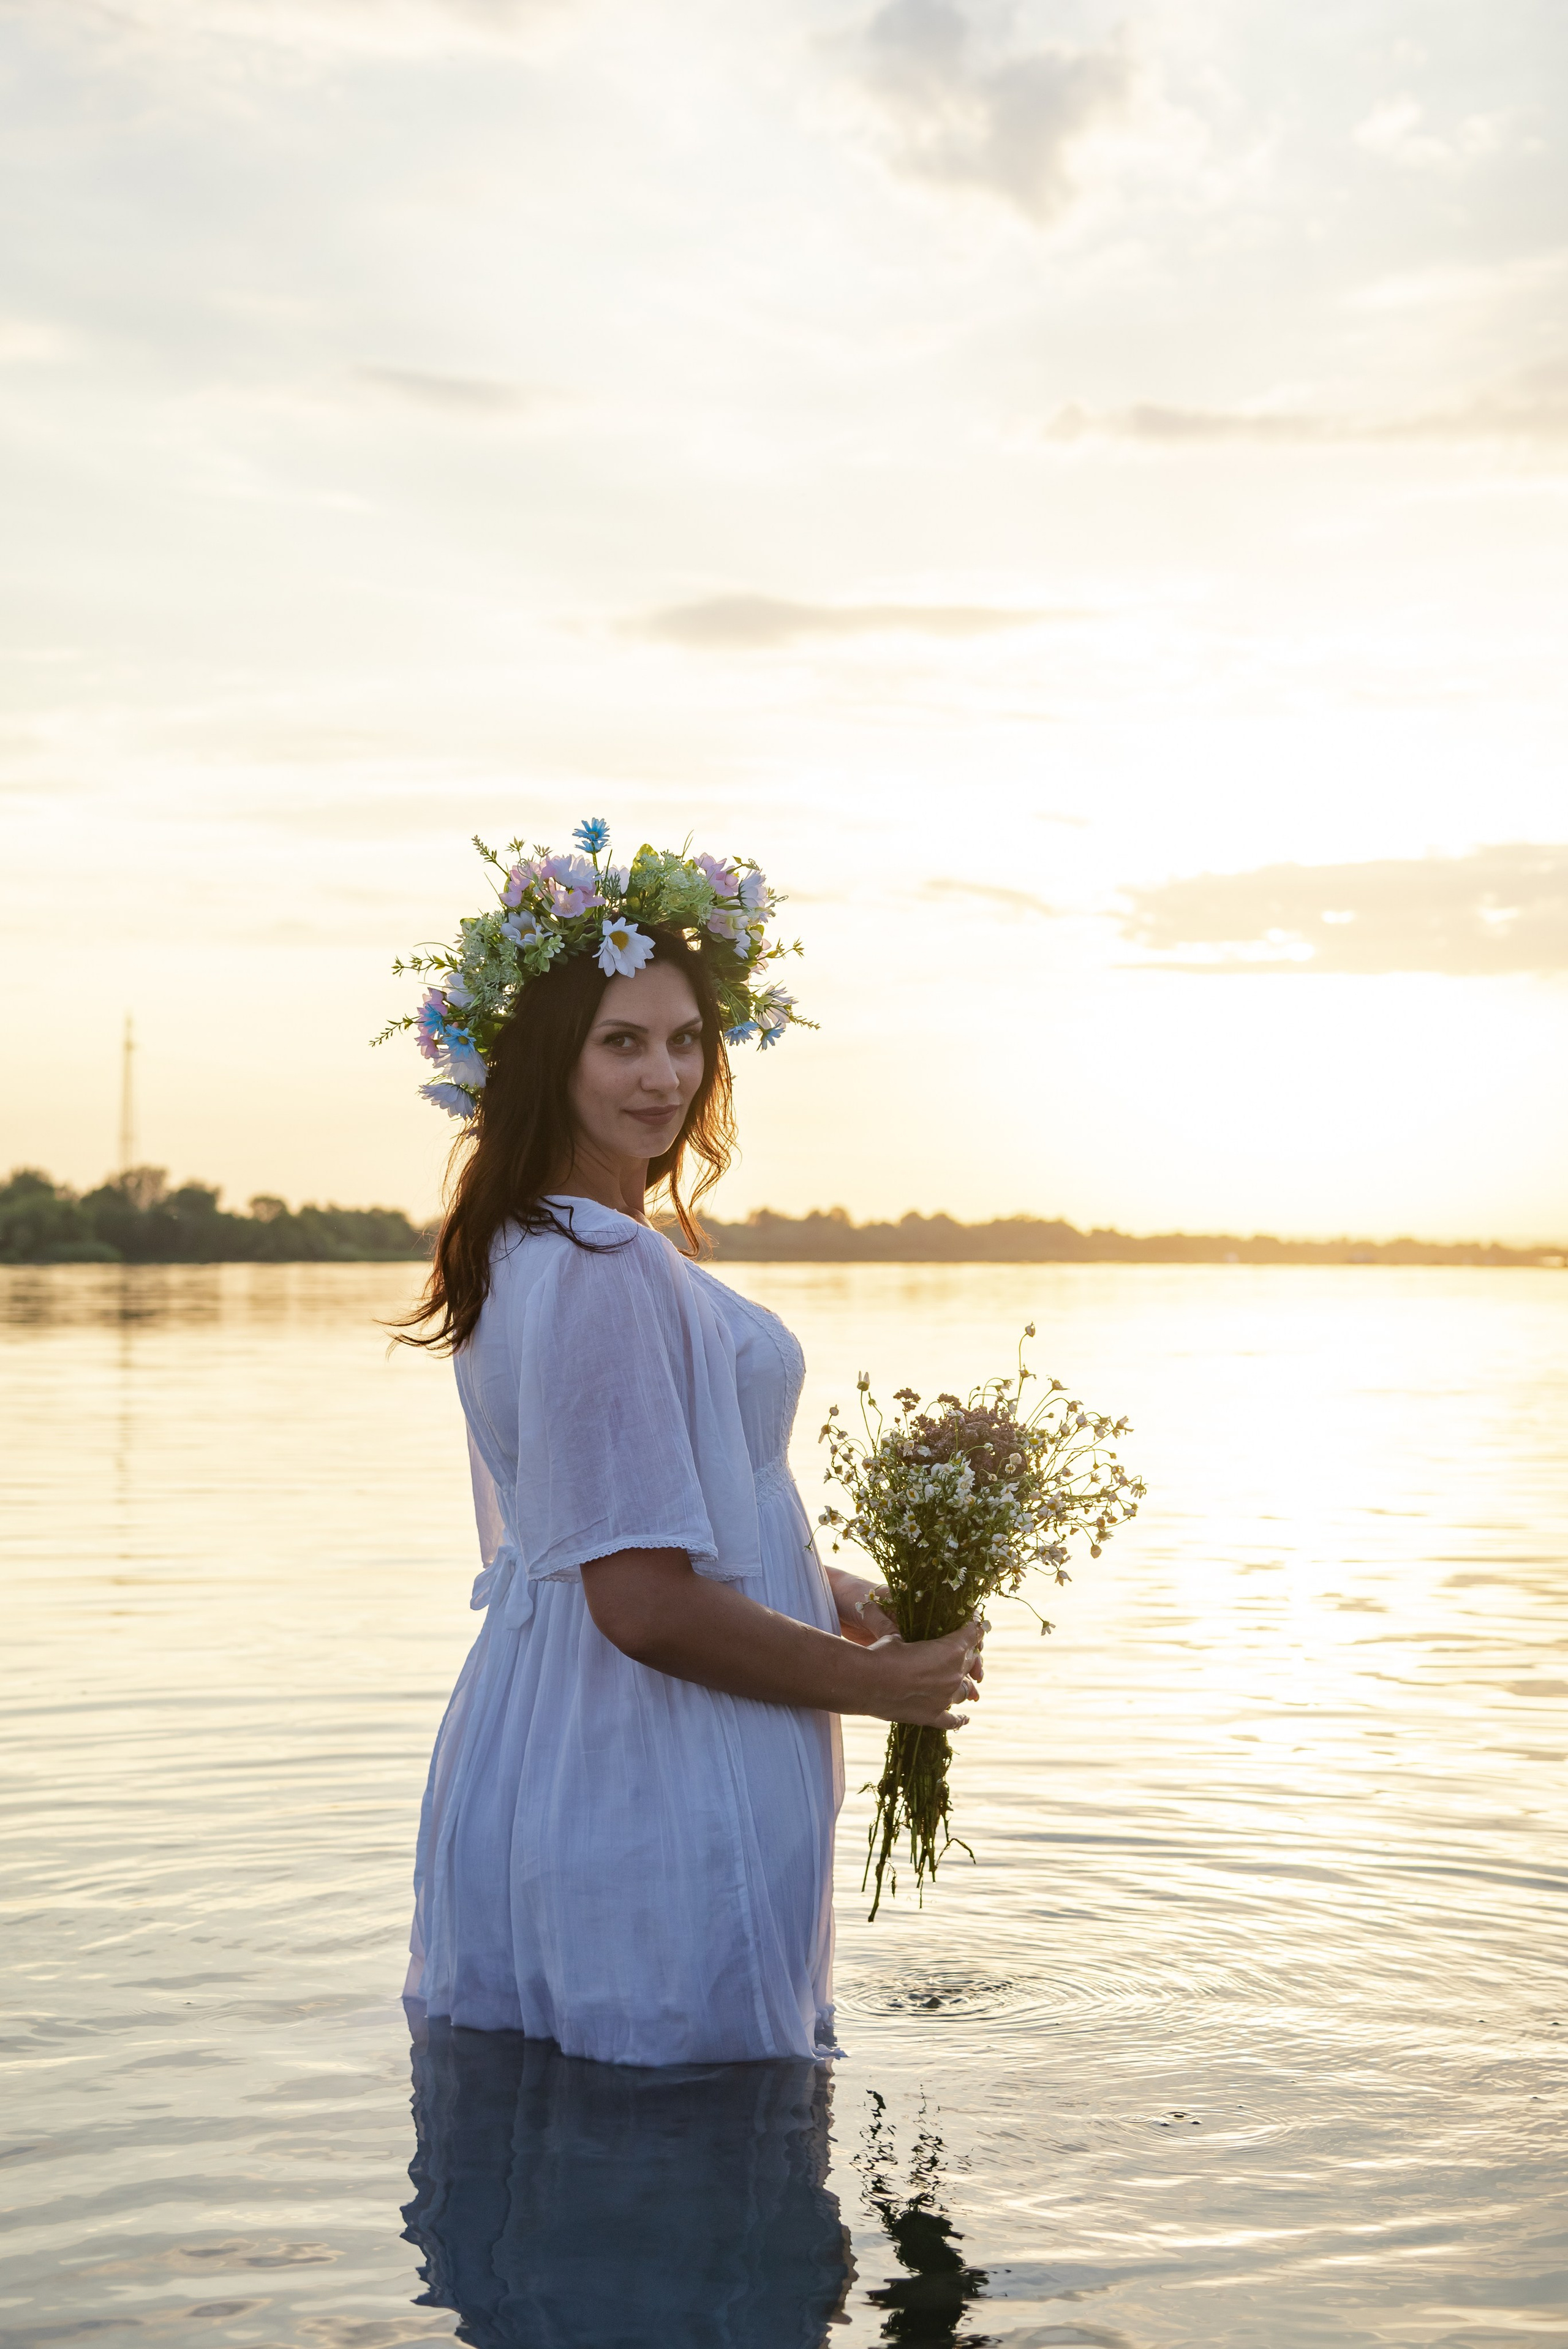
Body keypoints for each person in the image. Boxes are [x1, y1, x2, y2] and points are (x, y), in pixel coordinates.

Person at [388, 825, 983, 2066]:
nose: (661, 1076)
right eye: (620, 1042)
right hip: (657, 1756)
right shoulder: (605, 1269)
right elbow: (645, 1603)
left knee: (564, 2162)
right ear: (546, 1061)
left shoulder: (524, 1245)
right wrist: (886, 1690)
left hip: (549, 1731)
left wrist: (826, 1591)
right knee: (692, 2137)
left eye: (681, 1040)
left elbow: (603, 1515)